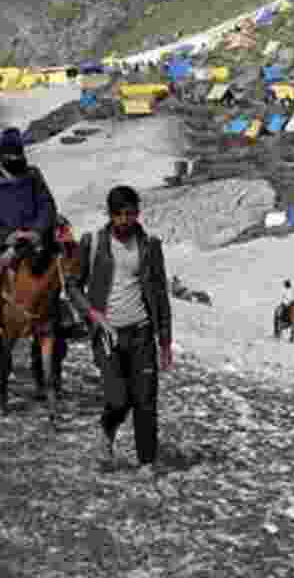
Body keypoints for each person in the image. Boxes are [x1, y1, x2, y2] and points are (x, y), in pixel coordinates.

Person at [73, 185, 173, 472]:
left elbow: (160, 294)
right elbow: (73, 285)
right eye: (121, 214)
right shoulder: (93, 242)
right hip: (108, 335)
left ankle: (146, 463)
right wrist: (91, 314)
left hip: (141, 332)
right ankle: (107, 429)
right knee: (118, 399)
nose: (127, 220)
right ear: (111, 214)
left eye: (132, 214)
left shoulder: (150, 245)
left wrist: (165, 341)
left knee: (146, 400)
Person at [0, 127, 56, 355]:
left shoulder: (33, 175)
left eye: (18, 155)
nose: (14, 160)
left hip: (32, 241)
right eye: (10, 155)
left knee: (61, 270)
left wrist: (36, 231)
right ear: (1, 155)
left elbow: (47, 206)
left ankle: (63, 318)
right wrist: (6, 236)